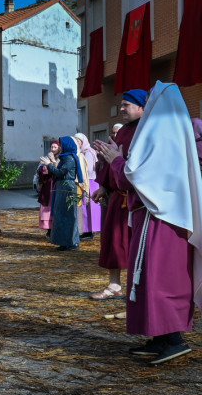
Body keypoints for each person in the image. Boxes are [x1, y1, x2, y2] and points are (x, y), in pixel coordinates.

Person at [97, 82, 202, 365]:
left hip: (163, 220)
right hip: (154, 216)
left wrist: (116, 161)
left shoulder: (164, 137)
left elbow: (137, 177)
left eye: (152, 100)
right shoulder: (168, 135)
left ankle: (175, 339)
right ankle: (159, 337)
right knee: (145, 276)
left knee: (160, 278)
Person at [90, 90, 146, 300]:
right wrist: (104, 186)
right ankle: (114, 285)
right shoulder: (122, 133)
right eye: (121, 105)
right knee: (113, 241)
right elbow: (112, 160)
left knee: (137, 244)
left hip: (139, 200)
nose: (121, 109)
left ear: (141, 107)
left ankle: (139, 287)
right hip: (118, 198)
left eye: (126, 105)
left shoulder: (147, 131)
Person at [40, 137, 81, 251]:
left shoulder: (69, 158)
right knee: (63, 215)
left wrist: (49, 164)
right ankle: (66, 241)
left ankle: (70, 242)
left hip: (66, 187)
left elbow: (60, 172)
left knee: (67, 216)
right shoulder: (66, 158)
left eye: (62, 145)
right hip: (63, 187)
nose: (60, 148)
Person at [75, 133, 101, 240]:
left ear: (83, 141)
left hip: (90, 181)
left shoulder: (89, 152)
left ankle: (89, 231)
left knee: (90, 206)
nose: (77, 143)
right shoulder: (83, 152)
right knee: (86, 207)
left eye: (78, 140)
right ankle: (87, 230)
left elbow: (89, 169)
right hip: (87, 181)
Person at [36, 141, 59, 238]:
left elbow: (58, 171)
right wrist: (43, 168)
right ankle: (49, 229)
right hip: (47, 186)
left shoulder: (60, 158)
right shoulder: (45, 158)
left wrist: (52, 162)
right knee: (47, 207)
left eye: (55, 147)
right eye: (52, 147)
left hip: (55, 185)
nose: (53, 149)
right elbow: (39, 171)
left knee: (54, 206)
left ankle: (55, 229)